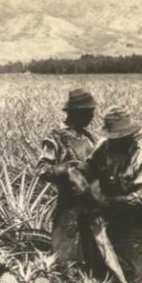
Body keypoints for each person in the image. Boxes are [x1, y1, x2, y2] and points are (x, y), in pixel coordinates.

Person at [85, 105, 142, 283]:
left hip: (132, 219)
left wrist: (111, 201)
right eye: (113, 137)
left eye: (121, 137)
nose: (117, 141)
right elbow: (89, 169)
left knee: (136, 273)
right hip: (106, 218)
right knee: (106, 270)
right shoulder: (103, 146)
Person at [37, 88, 101, 265]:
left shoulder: (88, 136)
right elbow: (42, 170)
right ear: (76, 113)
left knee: (91, 258)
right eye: (88, 113)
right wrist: (67, 168)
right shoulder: (55, 137)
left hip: (90, 206)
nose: (92, 117)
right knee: (65, 258)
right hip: (68, 207)